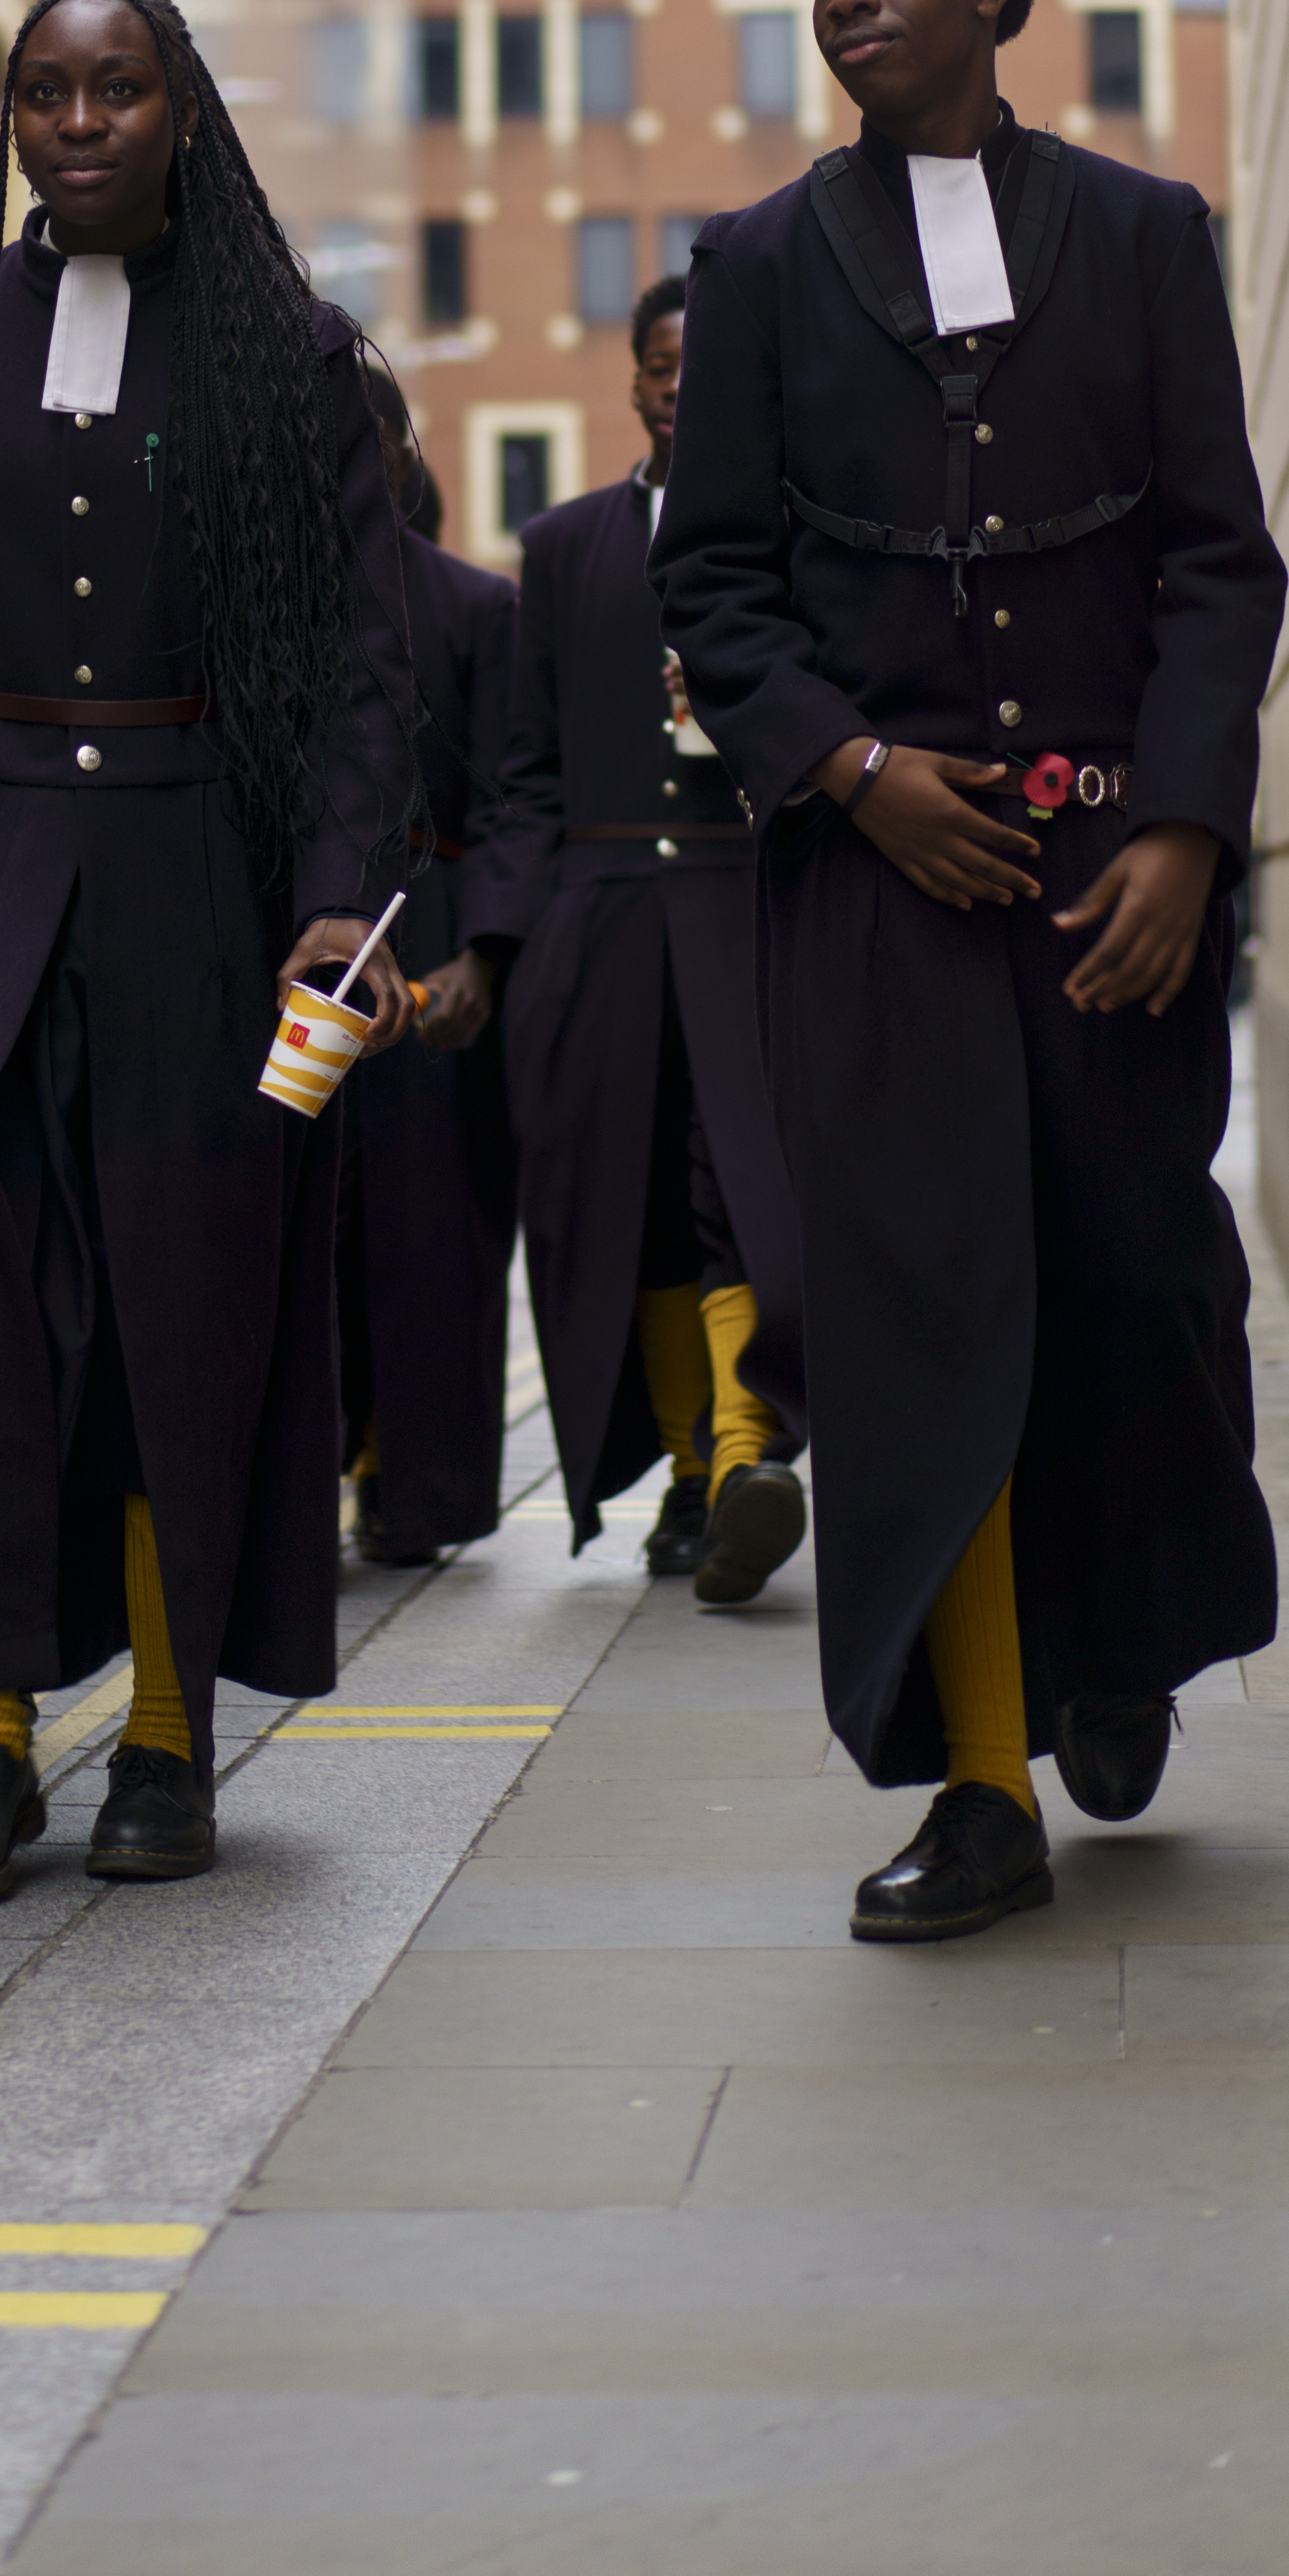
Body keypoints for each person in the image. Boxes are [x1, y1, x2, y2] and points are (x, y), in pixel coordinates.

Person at [652, 0, 1285, 1943]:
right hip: (879, 889)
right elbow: (715, 582)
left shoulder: (1139, 231)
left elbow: (1217, 554)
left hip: (1117, 883)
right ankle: (989, 1775)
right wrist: (848, 766)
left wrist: (1186, 828)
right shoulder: (748, 269)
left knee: (1134, 1285)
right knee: (928, 1326)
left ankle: (1131, 1643)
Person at [0, 0, 413, 1900]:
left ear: (181, 114)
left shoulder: (292, 359)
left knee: (176, 1324)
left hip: (192, 890)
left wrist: (342, 895)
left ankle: (164, 1731)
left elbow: (358, 675)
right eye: (45, 91)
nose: (77, 120)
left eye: (118, 87)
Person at [469, 278, 807, 1608]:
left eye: (705, 367)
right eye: (662, 365)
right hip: (601, 920)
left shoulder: (795, 537)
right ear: (633, 382)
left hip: (748, 904)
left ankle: (740, 1463)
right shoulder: (561, 549)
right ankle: (686, 1475)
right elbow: (525, 766)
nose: (683, 386)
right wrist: (504, 941)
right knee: (636, 1216)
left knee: (746, 1198)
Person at [336, 378, 518, 1569]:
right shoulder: (246, 600)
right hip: (284, 952)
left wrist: (481, 959)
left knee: (424, 1234)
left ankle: (412, 1485)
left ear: (405, 455)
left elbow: (512, 803)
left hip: (433, 939)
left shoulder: (474, 608)